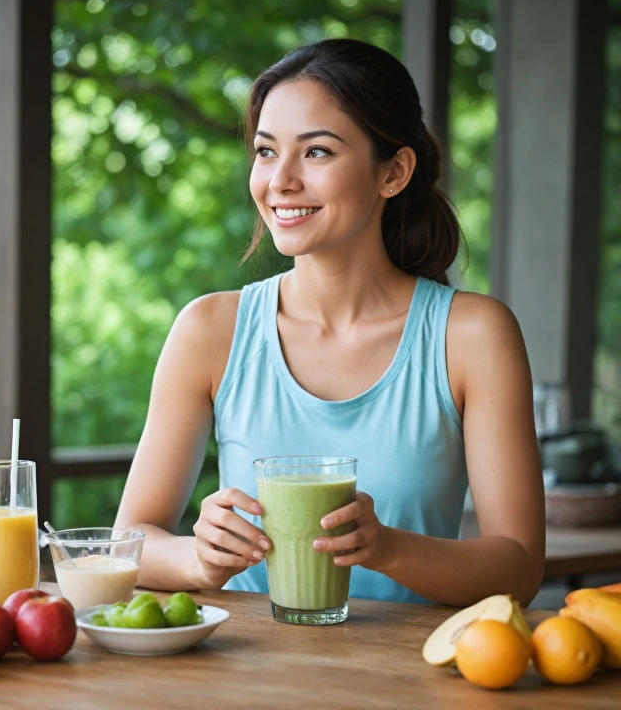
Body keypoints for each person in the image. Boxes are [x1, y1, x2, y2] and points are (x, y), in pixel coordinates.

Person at [115, 38, 545, 607]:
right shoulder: (210, 330)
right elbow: (132, 541)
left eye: (316, 152)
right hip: (240, 681)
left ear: (393, 173)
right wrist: (197, 557)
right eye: (267, 152)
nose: (281, 180)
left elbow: (517, 566)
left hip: (406, 682)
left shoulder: (472, 336)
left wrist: (386, 547)